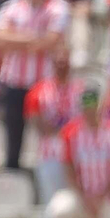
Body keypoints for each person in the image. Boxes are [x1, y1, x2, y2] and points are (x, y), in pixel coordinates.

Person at [0, 0, 70, 172]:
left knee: (46, 133)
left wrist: (17, 39)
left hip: (43, 85)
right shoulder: (10, 7)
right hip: (14, 81)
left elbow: (53, 40)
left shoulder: (58, 6)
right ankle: (12, 172)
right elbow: (0, 38)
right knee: (13, 132)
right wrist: (35, 38)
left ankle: (46, 172)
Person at [48, 85, 110, 218]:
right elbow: (69, 168)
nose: (90, 111)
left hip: (108, 197)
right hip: (80, 195)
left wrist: (101, 197)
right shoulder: (70, 132)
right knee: (58, 212)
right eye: (87, 107)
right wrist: (85, 197)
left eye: (93, 106)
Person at [24, 46, 85, 203]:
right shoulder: (38, 91)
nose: (62, 65)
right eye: (58, 61)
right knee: (51, 201)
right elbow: (37, 122)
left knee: (76, 201)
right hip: (49, 154)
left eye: (64, 61)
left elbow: (88, 119)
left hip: (77, 154)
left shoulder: (81, 89)